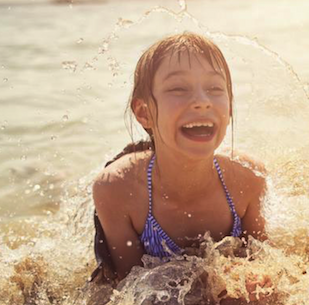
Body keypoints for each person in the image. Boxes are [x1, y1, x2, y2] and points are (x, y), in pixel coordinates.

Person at [92, 32, 267, 284]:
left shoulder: (248, 178)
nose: (202, 101)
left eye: (215, 88)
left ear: (229, 108)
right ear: (144, 113)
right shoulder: (117, 190)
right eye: (178, 88)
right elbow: (128, 291)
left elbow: (266, 266)